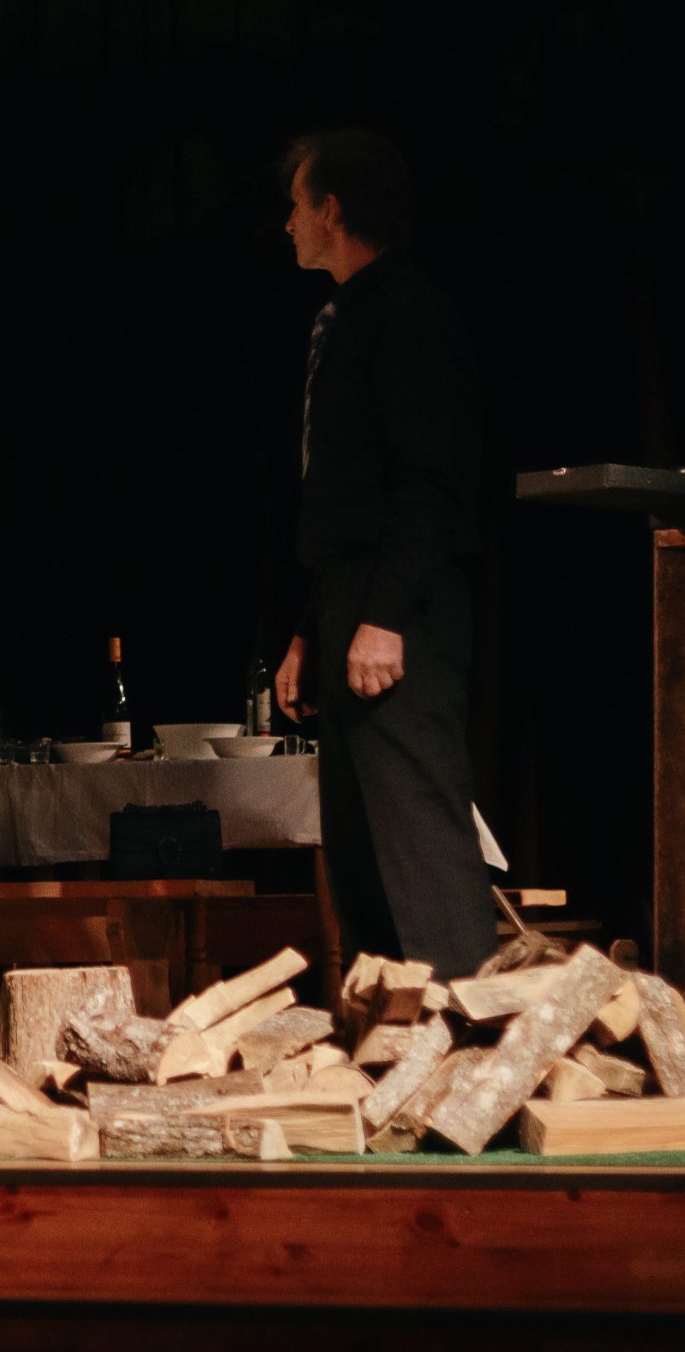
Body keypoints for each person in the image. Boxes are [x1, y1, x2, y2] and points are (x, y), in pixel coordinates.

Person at [272, 131, 492, 981]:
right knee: (360, 850)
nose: (288, 224)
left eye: (297, 206)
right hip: (348, 602)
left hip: (404, 613)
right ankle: (390, 1037)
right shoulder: (343, 318)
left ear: (331, 210)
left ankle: (468, 1035)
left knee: (418, 841)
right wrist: (311, 629)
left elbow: (430, 484)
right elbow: (346, 504)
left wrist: (385, 616)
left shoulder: (408, 315)